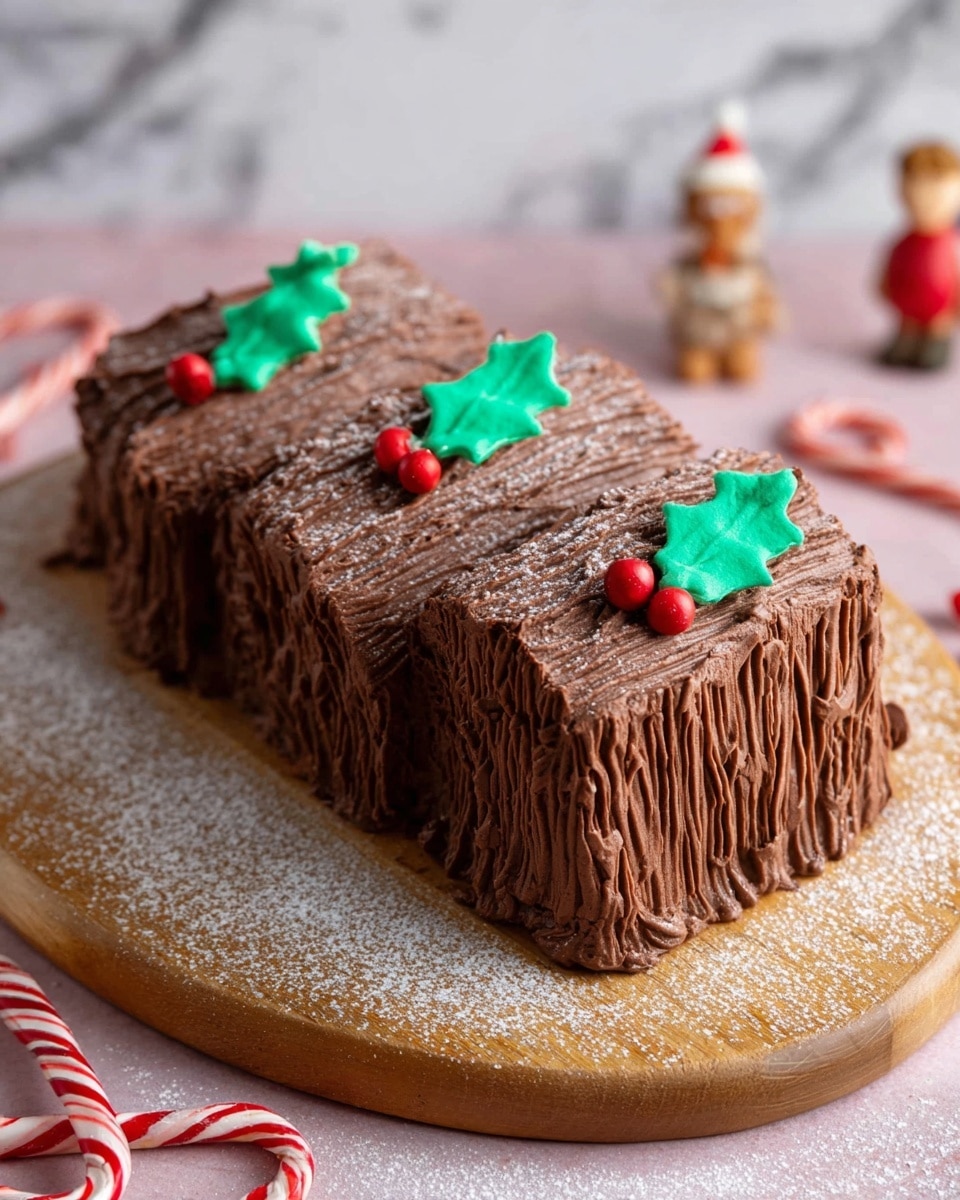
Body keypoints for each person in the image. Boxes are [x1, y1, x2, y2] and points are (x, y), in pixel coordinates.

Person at [658, 102, 779, 384]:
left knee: (743, 368)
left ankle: (736, 350)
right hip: (698, 331)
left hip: (738, 329)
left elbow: (764, 294)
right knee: (694, 371)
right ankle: (699, 352)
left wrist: (767, 311)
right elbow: (671, 289)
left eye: (732, 207)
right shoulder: (689, 265)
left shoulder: (751, 265)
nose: (721, 222)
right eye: (711, 209)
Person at [879, 142, 960, 370]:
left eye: (935, 195)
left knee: (934, 343)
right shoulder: (903, 242)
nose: (925, 203)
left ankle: (933, 348)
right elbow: (892, 263)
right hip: (906, 310)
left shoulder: (951, 244)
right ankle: (906, 348)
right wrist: (884, 285)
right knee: (905, 337)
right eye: (916, 192)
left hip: (939, 313)